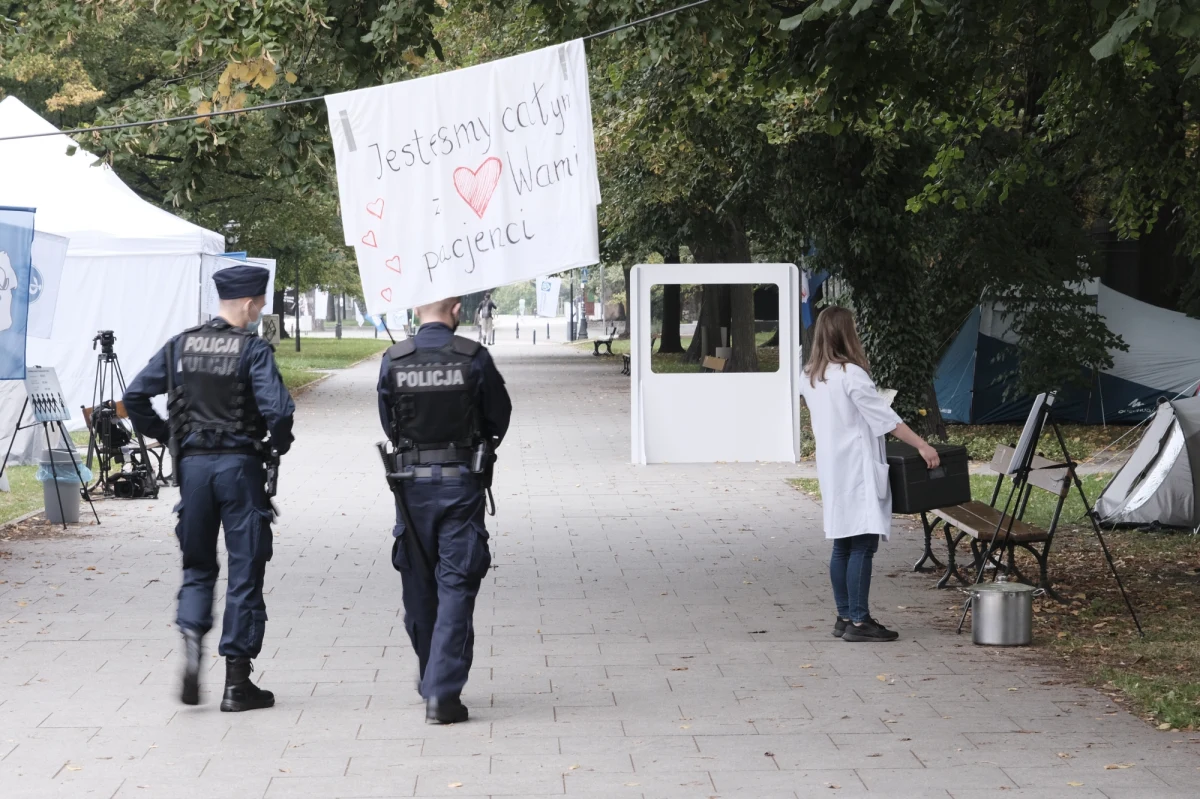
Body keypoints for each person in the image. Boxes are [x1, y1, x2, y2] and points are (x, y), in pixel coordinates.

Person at [124, 264, 294, 710]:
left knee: (197, 567)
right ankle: (237, 684)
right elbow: (278, 412)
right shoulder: (253, 350)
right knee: (245, 570)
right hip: (241, 469)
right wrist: (278, 445)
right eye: (259, 303)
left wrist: (167, 435)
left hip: (194, 472)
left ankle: (192, 649)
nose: (260, 310)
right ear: (248, 302)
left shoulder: (180, 345)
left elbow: (135, 395)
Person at [377, 296, 511, 723]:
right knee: (455, 585)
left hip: (410, 486)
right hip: (460, 482)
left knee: (418, 587)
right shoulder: (474, 356)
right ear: (456, 309)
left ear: (415, 309)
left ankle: (430, 674)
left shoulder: (394, 359)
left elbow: (387, 418)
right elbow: (498, 417)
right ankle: (442, 693)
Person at [799, 307, 940, 643]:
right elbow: (886, 419)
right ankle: (860, 622)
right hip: (856, 465)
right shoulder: (852, 375)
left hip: (833, 466)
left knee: (842, 543)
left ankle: (844, 615)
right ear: (846, 334)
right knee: (863, 542)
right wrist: (923, 446)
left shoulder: (809, 376)